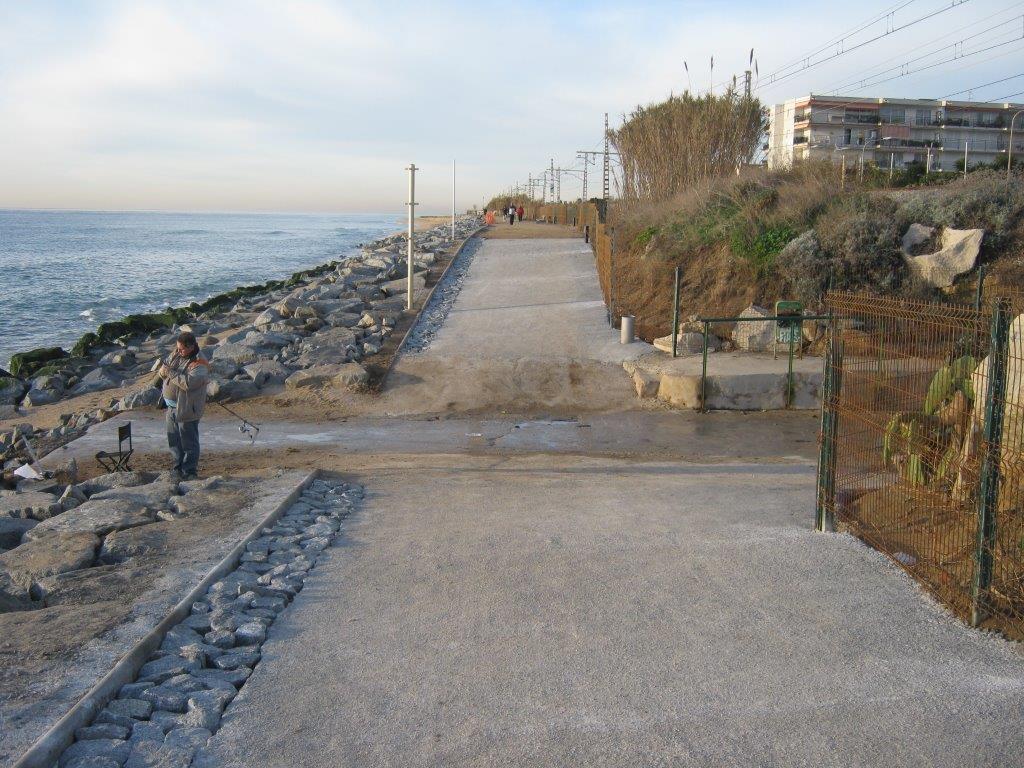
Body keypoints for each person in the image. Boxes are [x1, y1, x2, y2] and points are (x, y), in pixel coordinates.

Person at [158, 331, 209, 479]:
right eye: (178, 348)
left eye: (182, 349)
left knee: (189, 442)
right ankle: (177, 468)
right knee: (174, 440)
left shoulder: (200, 363)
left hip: (187, 408)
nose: (179, 351)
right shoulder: (176, 354)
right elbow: (165, 369)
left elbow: (188, 383)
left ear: (191, 347)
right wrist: (163, 372)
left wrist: (170, 373)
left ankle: (189, 471)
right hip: (171, 407)